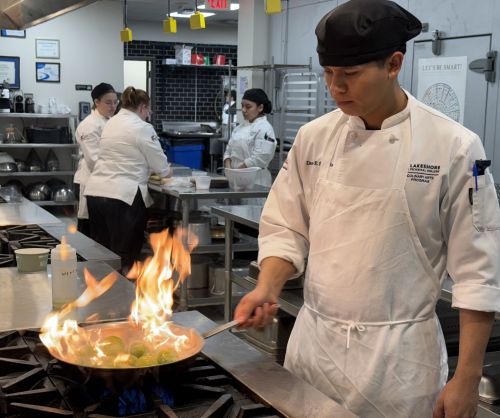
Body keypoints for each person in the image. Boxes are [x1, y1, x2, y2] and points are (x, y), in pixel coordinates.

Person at [234, 1, 500, 417]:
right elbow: (286, 226)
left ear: (394, 64)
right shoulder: (313, 138)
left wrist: (465, 379)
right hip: (314, 352)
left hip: (400, 367)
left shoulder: (458, 148)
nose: (336, 88)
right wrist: (267, 285)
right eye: (329, 74)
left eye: (351, 75)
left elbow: (478, 273)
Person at [84, 86, 171, 273]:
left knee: (103, 256)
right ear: (142, 107)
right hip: (123, 197)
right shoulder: (142, 127)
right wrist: (166, 171)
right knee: (125, 256)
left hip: (96, 194)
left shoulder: (111, 122)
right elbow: (161, 166)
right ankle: (122, 299)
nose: (149, 114)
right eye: (148, 110)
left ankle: (102, 298)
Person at [73, 83, 117, 236]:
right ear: (96, 102)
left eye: (115, 102)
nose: (113, 106)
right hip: (90, 181)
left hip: (103, 181)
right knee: (90, 229)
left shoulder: (109, 121)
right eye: (108, 102)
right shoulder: (89, 125)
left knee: (102, 229)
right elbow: (93, 160)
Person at [223, 88, 276, 188]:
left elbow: (260, 158)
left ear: (260, 108)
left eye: (248, 107)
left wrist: (237, 172)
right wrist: (230, 171)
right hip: (235, 181)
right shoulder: (239, 128)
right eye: (242, 106)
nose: (243, 110)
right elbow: (228, 151)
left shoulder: (265, 128)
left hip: (256, 182)